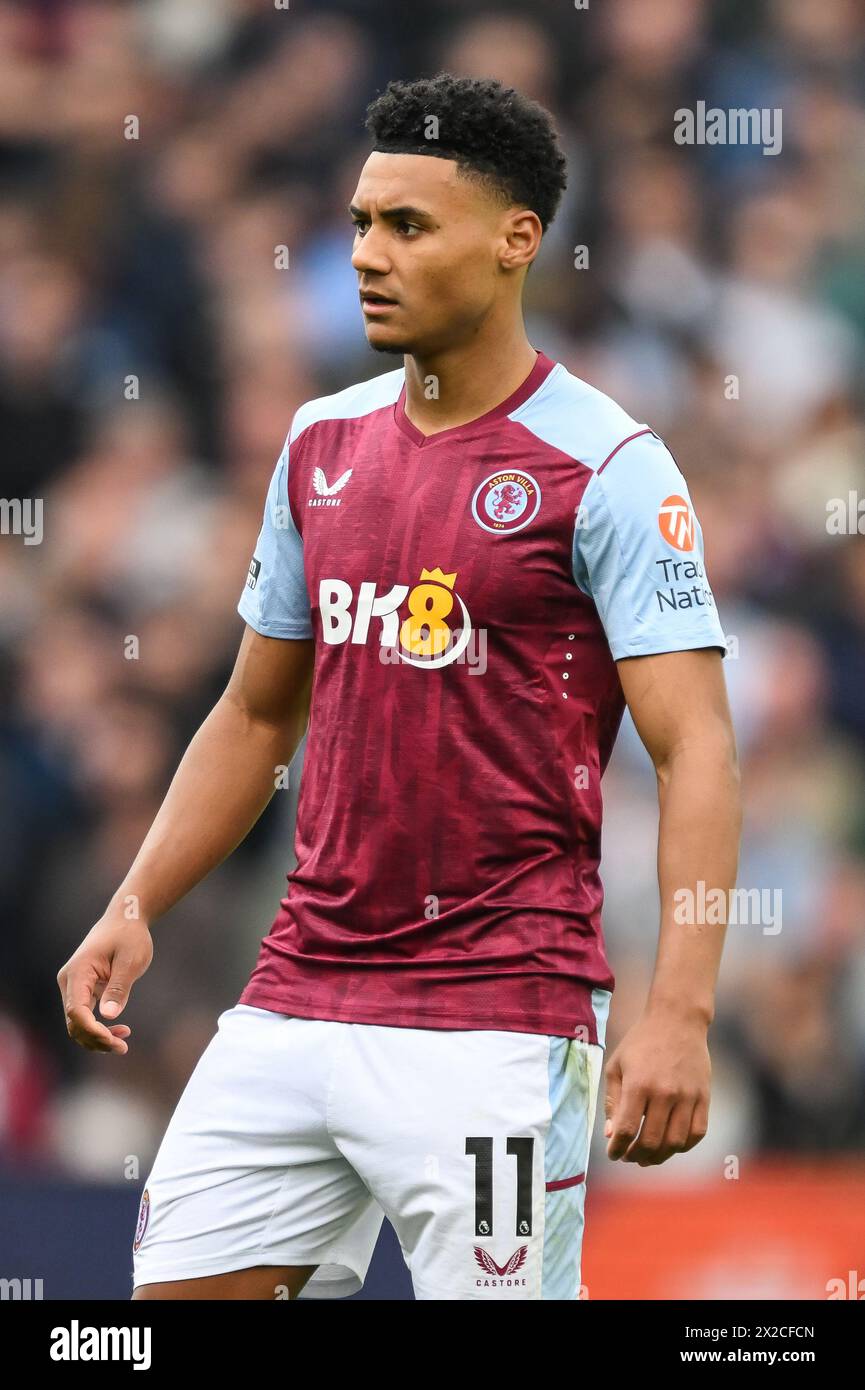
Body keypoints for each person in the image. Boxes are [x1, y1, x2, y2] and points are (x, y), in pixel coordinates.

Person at [57, 73, 741, 1301]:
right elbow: (255, 713)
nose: (366, 253)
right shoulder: (319, 443)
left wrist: (678, 1010)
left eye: (408, 227)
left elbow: (696, 750)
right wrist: (136, 899)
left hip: (496, 1024)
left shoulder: (611, 469)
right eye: (362, 222)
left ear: (513, 241)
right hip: (294, 998)